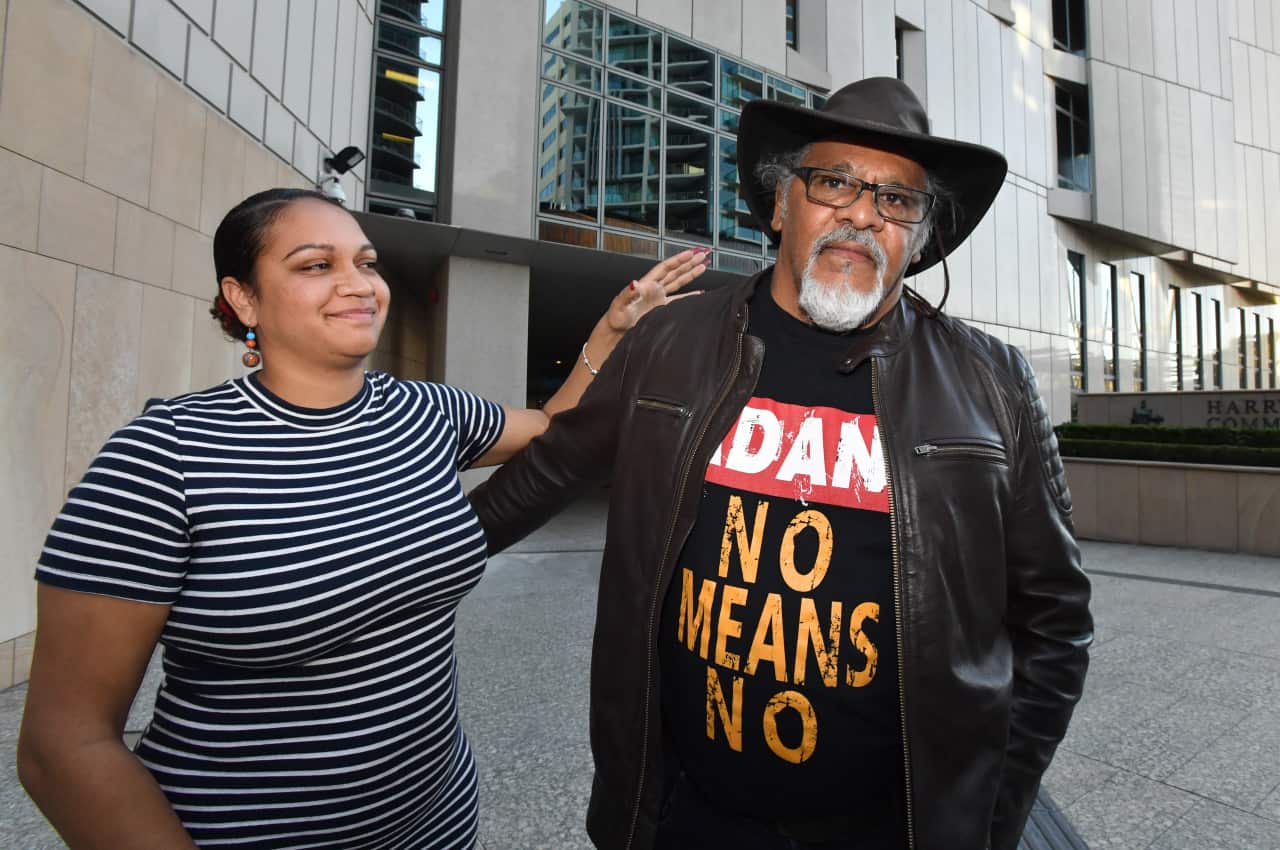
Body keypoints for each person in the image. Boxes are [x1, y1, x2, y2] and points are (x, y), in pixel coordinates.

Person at [470, 77, 1093, 850]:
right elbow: (547, 473)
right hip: (688, 818)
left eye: (897, 201)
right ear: (779, 205)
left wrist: (991, 809)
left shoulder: (991, 381)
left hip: (890, 829)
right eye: (834, 182)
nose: (862, 214)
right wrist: (396, 562)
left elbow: (1055, 622)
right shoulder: (669, 344)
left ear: (920, 239)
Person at [17, 187, 707, 850]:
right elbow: (65, 746)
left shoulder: (424, 412)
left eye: (366, 263)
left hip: (437, 821)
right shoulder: (166, 456)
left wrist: (612, 327)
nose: (358, 283)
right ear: (242, 298)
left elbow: (555, 426)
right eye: (317, 266)